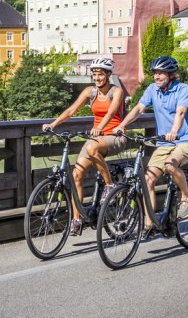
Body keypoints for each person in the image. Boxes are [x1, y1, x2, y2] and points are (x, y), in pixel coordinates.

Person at [114, 56, 188, 238]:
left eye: (161, 73)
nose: (157, 77)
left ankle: (187, 196)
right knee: (148, 180)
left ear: (170, 74)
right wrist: (123, 125)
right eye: (155, 73)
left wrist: (174, 130)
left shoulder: (183, 89)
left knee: (170, 165)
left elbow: (181, 111)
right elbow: (139, 108)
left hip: (185, 140)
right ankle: (150, 223)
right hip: (163, 143)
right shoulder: (153, 90)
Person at [42, 58, 126, 235]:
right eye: (95, 74)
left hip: (114, 136)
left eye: (101, 74)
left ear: (108, 75)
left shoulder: (116, 91)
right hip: (96, 138)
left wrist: (99, 128)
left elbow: (111, 112)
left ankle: (109, 185)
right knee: (76, 175)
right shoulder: (90, 92)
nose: (97, 78)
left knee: (91, 148)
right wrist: (53, 124)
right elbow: (72, 110)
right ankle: (77, 219)